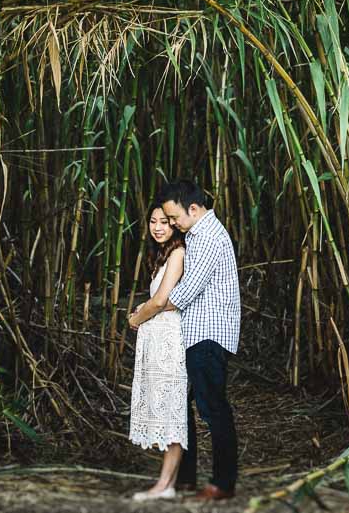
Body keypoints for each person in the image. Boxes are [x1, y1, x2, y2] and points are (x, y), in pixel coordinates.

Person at [155, 178, 241, 502]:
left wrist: (151, 309)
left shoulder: (207, 236)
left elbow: (186, 292)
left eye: (174, 218)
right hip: (197, 335)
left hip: (208, 335)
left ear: (193, 208)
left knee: (213, 407)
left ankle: (223, 482)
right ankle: (187, 478)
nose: (173, 224)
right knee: (182, 407)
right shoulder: (198, 234)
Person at [126, 202, 189, 501]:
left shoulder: (177, 253)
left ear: (175, 224)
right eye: (152, 221)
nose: (157, 227)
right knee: (165, 410)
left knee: (171, 411)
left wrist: (136, 318)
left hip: (169, 344)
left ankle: (163, 486)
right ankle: (169, 484)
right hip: (157, 342)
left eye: (164, 221)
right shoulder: (163, 255)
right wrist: (144, 311)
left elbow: (162, 300)